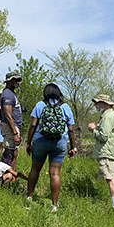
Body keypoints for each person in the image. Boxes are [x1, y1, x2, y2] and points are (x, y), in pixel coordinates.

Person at [25, 83, 76, 212]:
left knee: (35, 169)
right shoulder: (65, 107)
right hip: (59, 142)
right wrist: (72, 147)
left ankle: (29, 197)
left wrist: (28, 142)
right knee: (55, 173)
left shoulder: (40, 105)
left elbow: (32, 125)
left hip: (40, 141)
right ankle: (54, 205)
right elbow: (70, 130)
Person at [88, 94, 114, 209]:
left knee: (111, 180)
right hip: (112, 153)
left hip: (107, 153)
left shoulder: (108, 116)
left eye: (97, 103)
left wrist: (93, 130)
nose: (95, 105)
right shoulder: (110, 115)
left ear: (104, 104)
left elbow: (103, 136)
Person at [0, 72, 23, 168]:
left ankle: (11, 178)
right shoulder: (8, 95)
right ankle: (4, 178)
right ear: (8, 81)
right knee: (9, 154)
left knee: (14, 153)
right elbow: (8, 115)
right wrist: (15, 133)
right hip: (10, 127)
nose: (17, 82)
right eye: (14, 80)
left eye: (18, 80)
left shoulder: (11, 94)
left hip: (13, 126)